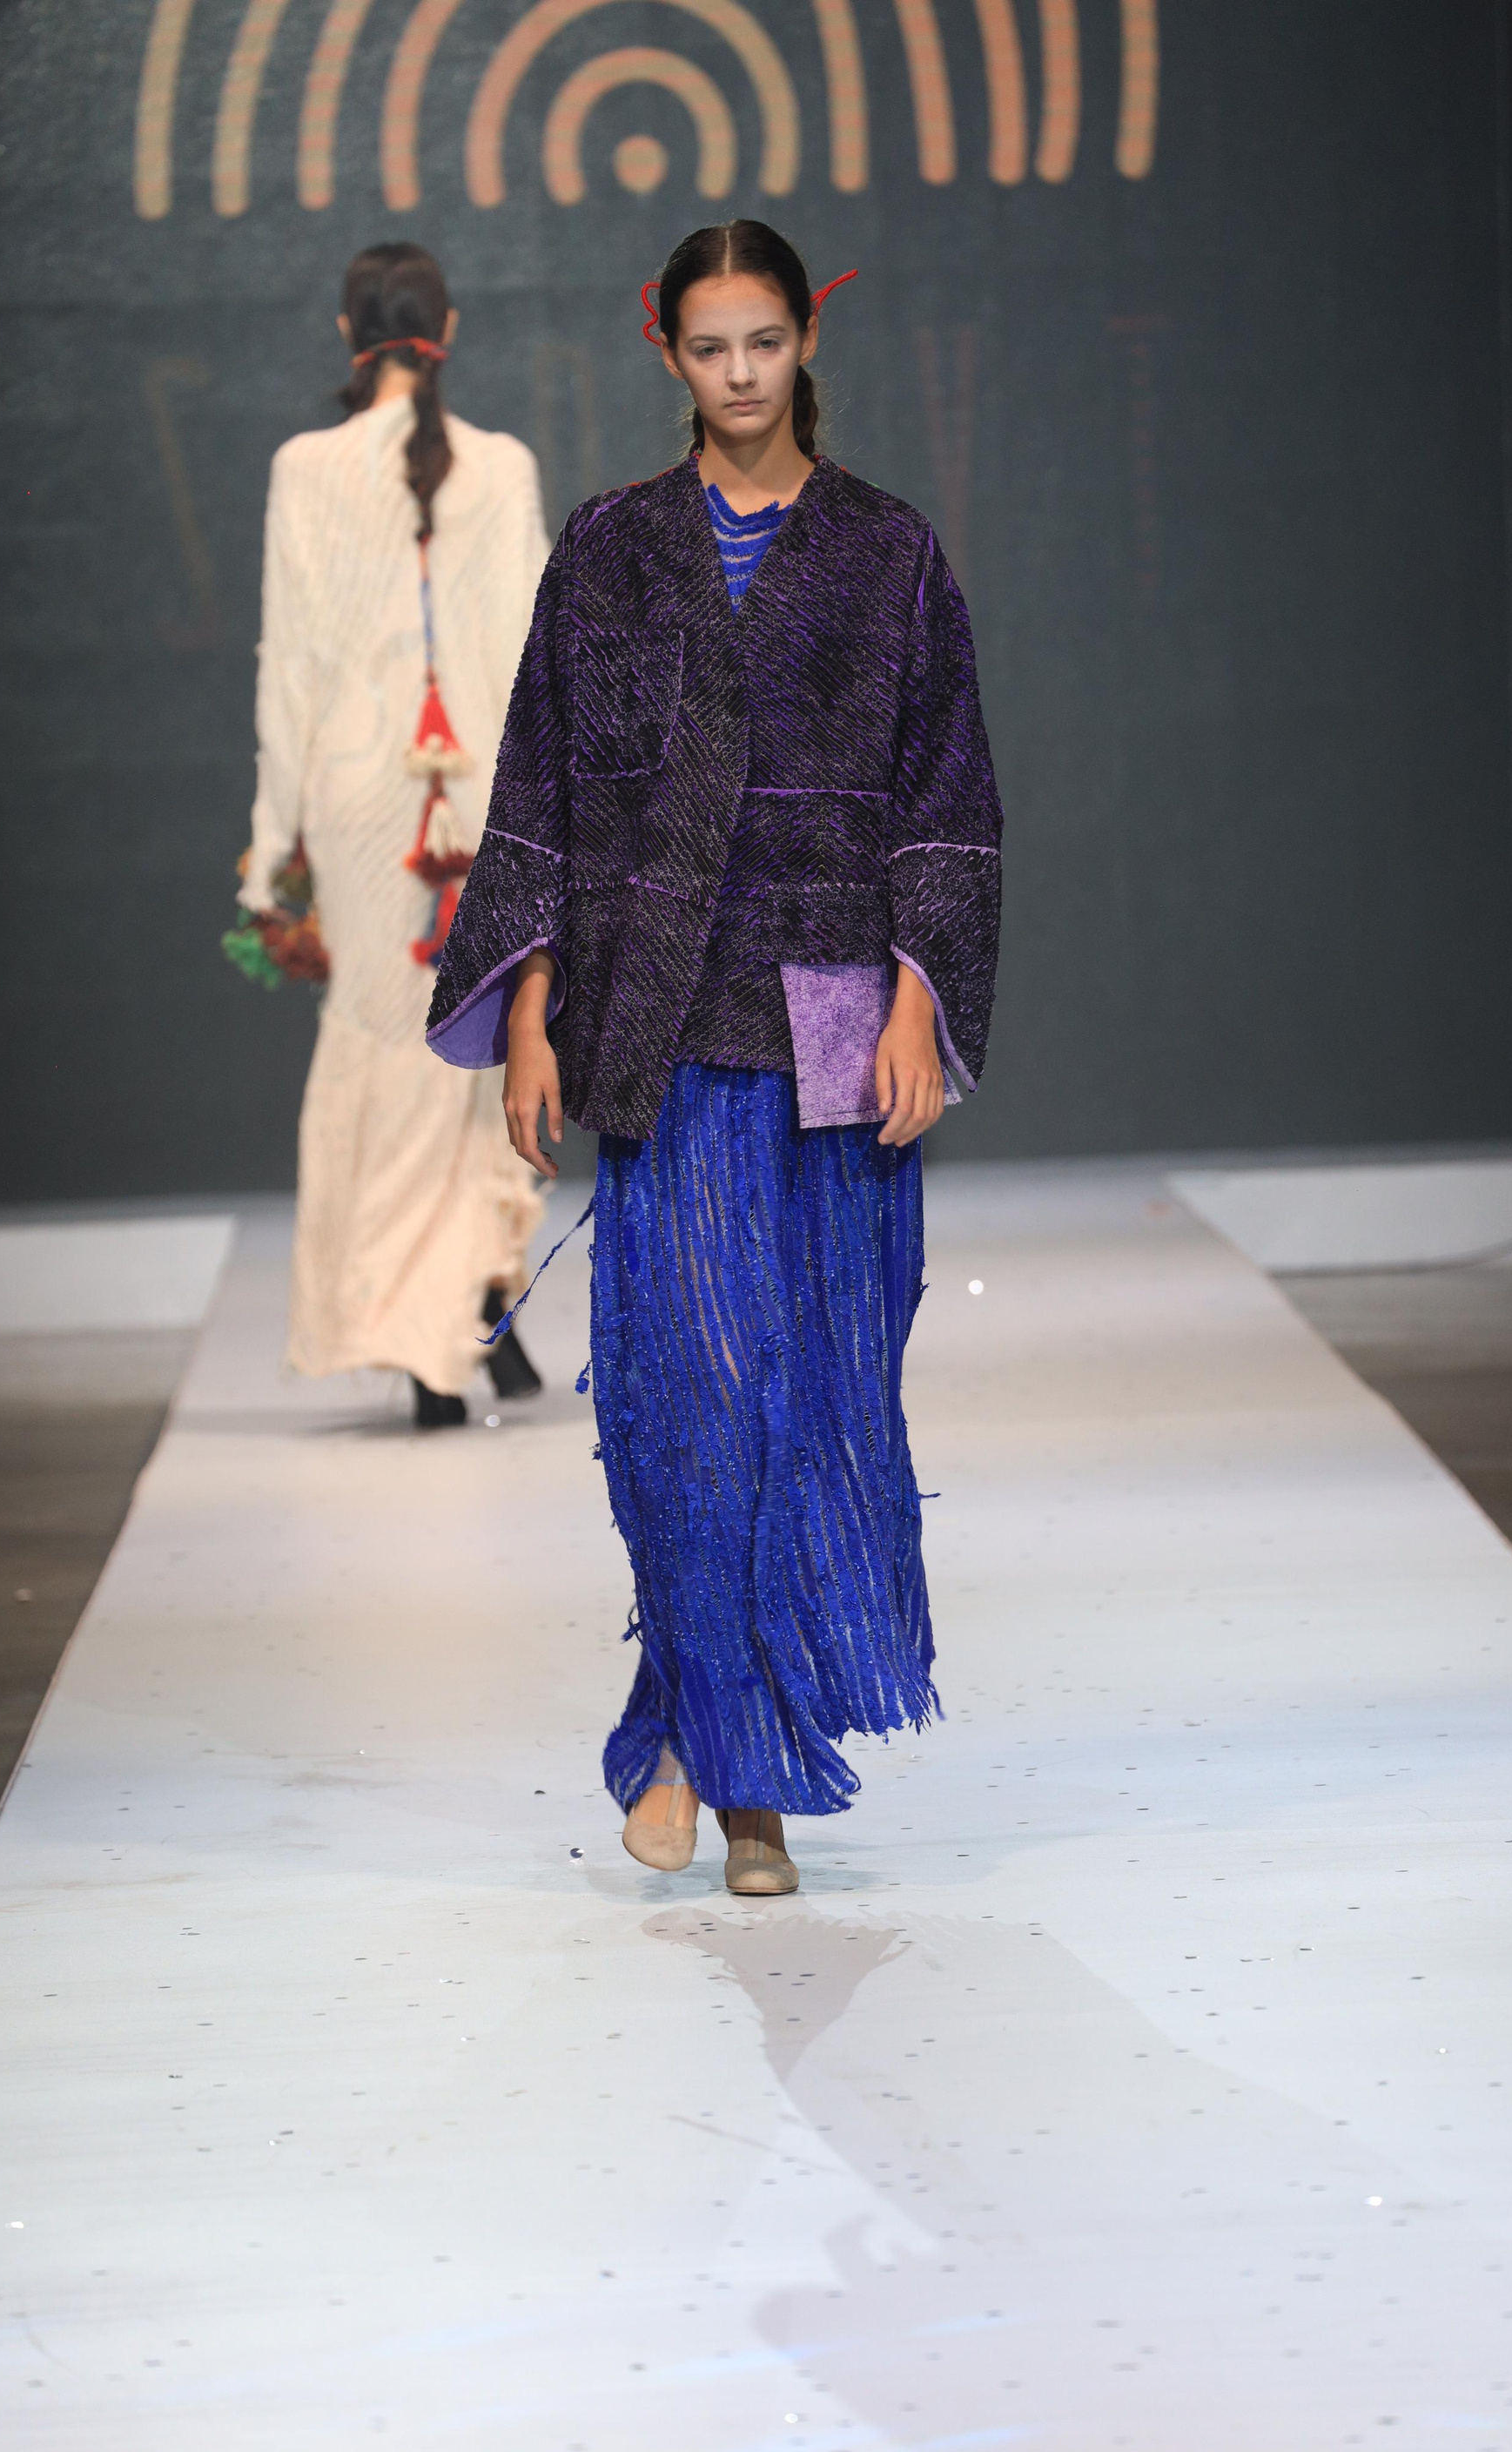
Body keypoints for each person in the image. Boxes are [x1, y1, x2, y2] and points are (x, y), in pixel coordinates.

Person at [427, 221, 1002, 1887]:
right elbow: (540, 786)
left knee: (811, 1392)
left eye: (764, 341)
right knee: (690, 1400)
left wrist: (920, 995)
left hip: (831, 1015)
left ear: (806, 337)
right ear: (664, 351)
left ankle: (693, 1736)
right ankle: (746, 1786)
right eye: (709, 346)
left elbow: (947, 794)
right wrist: (529, 1009)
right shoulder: (610, 550)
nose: (740, 374)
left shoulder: (889, 552)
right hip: (658, 1006)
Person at [241, 241, 548, 1426]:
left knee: (389, 1048)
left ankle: (441, 1338)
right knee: (477, 1050)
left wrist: (272, 847)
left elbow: (289, 671)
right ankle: (475, 1320)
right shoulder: (502, 467)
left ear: (346, 334)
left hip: (362, 803)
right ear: (448, 331)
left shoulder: (305, 469)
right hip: (478, 798)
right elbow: (536, 662)